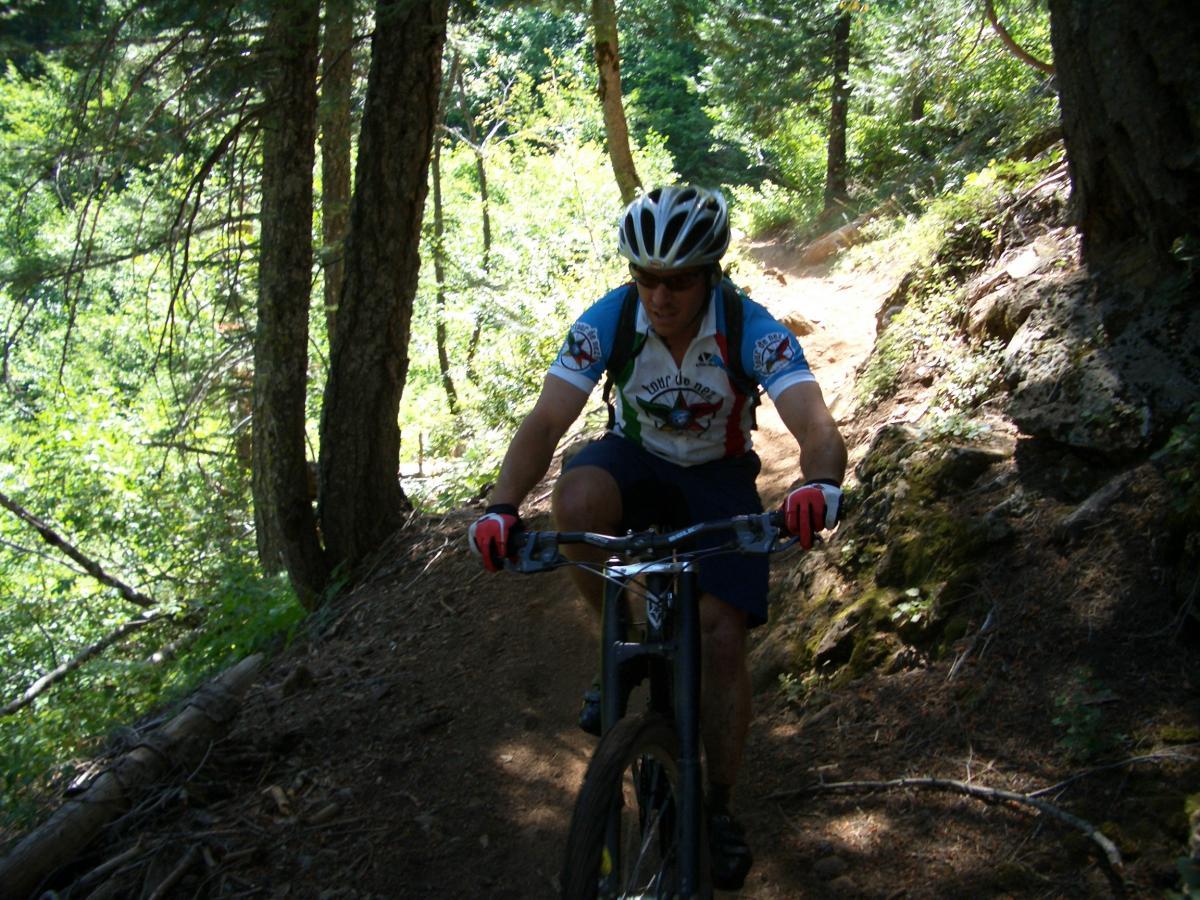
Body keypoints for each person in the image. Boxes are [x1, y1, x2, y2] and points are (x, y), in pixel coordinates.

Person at [468, 185, 847, 890]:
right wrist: (500, 506)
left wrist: (817, 483)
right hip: (635, 463)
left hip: (717, 474)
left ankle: (719, 807)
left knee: (722, 638)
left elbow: (813, 419)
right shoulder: (611, 320)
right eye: (645, 278)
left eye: (677, 281)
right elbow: (548, 420)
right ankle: (618, 633)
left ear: (711, 273)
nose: (660, 296)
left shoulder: (749, 327)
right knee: (574, 498)